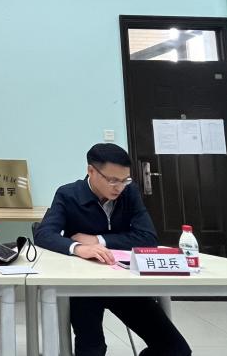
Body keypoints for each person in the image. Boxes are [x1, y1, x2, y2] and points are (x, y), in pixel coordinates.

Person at [34, 143, 191, 356]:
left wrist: (98, 240)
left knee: (176, 349)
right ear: (91, 171)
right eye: (113, 180)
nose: (119, 187)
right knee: (92, 349)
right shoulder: (68, 194)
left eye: (125, 180)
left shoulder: (130, 193)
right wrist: (78, 248)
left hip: (124, 284)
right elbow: (44, 234)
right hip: (83, 287)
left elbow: (148, 238)